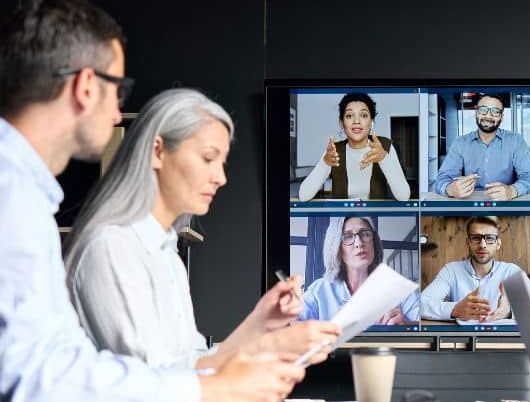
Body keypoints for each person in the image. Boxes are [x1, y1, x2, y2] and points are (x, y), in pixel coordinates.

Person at [0, 0, 300, 402]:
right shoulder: (15, 196)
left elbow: (65, 363)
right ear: (87, 86)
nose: (119, 112)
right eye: (118, 90)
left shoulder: (25, 195)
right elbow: (40, 376)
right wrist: (210, 393)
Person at [64, 89, 341, 370]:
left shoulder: (167, 255)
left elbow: (195, 363)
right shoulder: (112, 247)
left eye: (223, 163)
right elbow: (153, 380)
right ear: (157, 151)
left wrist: (262, 323)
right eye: (209, 158)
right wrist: (268, 345)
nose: (221, 178)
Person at [421, 216, 530, 322]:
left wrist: (510, 310)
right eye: (476, 238)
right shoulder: (451, 271)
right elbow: (421, 304)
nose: (482, 245)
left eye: (489, 238)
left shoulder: (511, 272)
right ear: (468, 243)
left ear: (498, 244)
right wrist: (455, 309)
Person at [299, 216, 420, 323]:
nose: (359, 243)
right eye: (347, 237)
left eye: (365, 234)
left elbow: (424, 326)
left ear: (374, 244)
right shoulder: (319, 290)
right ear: (336, 248)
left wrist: (405, 325)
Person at [298, 93, 410, 201]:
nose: (356, 121)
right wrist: (325, 163)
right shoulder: (334, 151)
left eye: (364, 115)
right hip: (342, 219)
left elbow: (404, 196)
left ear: (371, 121)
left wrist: (383, 158)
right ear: (342, 123)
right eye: (349, 116)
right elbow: (303, 196)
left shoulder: (385, 146)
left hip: (376, 219)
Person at [433, 93, 530, 200]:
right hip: (470, 206)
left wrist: (512, 191)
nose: (488, 115)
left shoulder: (516, 141)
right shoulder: (460, 143)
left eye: (495, 111)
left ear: (501, 117)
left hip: (504, 205)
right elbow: (443, 178)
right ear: (476, 113)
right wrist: (450, 189)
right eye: (483, 109)